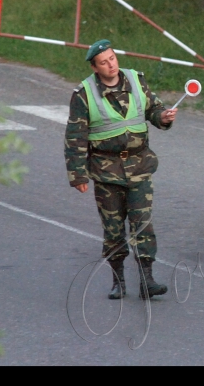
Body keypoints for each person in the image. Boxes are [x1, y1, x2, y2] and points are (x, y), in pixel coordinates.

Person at [64, 40, 178, 300]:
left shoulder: (136, 80)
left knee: (142, 225)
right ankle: (118, 281)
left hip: (139, 167)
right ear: (95, 67)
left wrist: (163, 117)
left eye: (113, 58)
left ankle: (147, 280)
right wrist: (77, 175)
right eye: (104, 62)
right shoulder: (84, 94)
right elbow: (75, 138)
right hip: (107, 173)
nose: (111, 64)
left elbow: (153, 109)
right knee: (114, 229)